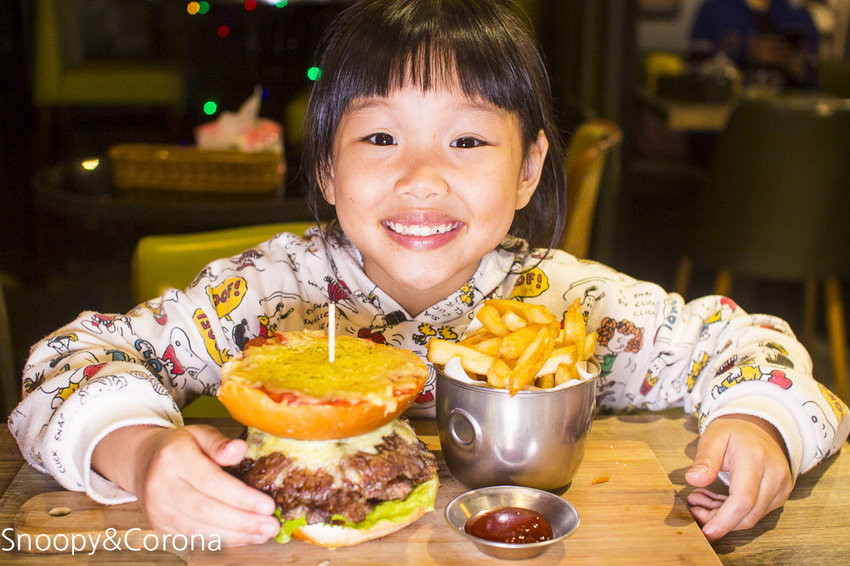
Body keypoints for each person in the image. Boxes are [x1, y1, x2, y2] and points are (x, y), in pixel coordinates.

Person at [9, 0, 848, 548]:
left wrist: (762, 424)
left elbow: (751, 344)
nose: (421, 177)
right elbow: (64, 364)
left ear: (527, 172)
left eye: (468, 140)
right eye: (379, 138)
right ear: (328, 172)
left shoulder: (572, 305)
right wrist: (145, 450)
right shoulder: (266, 296)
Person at [689, 0, 821, 88]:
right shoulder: (713, 10)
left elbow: (815, 82)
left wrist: (800, 69)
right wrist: (745, 52)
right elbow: (693, 75)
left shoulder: (800, 15)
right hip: (727, 117)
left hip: (789, 117)